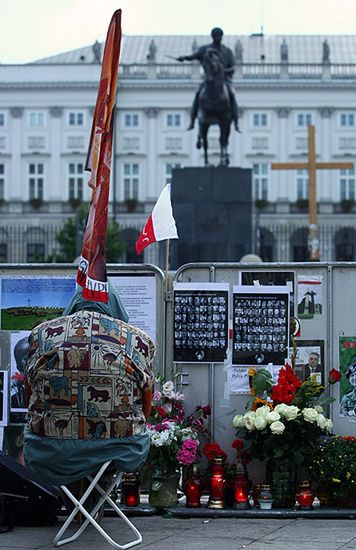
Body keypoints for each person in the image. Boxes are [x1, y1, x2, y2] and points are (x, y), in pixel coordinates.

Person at [23, 281, 155, 488]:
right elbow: (147, 402)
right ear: (115, 303)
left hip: (49, 451)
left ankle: (77, 507)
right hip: (121, 449)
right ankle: (92, 504)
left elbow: (28, 393)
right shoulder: (139, 340)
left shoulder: (42, 334)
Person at [177, 27, 239, 131]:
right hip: (209, 81)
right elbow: (194, 56)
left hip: (224, 81)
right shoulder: (205, 50)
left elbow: (233, 68)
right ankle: (192, 121)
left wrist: (222, 72)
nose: (217, 38)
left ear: (222, 37)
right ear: (212, 37)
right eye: (215, 36)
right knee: (198, 94)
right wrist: (184, 58)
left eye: (219, 36)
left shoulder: (227, 51)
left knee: (232, 94)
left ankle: (236, 121)